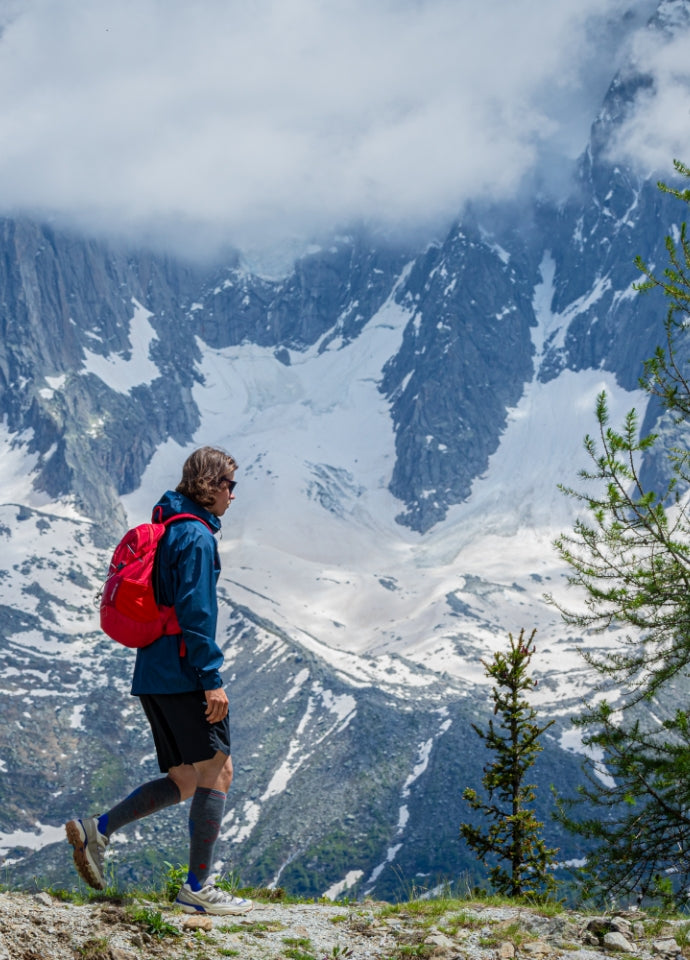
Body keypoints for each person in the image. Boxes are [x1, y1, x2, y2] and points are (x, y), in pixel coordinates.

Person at [66, 446, 253, 916]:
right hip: (183, 671)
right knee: (218, 770)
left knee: (187, 777)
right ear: (209, 486)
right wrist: (210, 677)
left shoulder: (172, 528)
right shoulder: (196, 537)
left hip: (153, 670)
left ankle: (99, 829)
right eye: (229, 484)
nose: (233, 494)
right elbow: (196, 611)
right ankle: (197, 890)